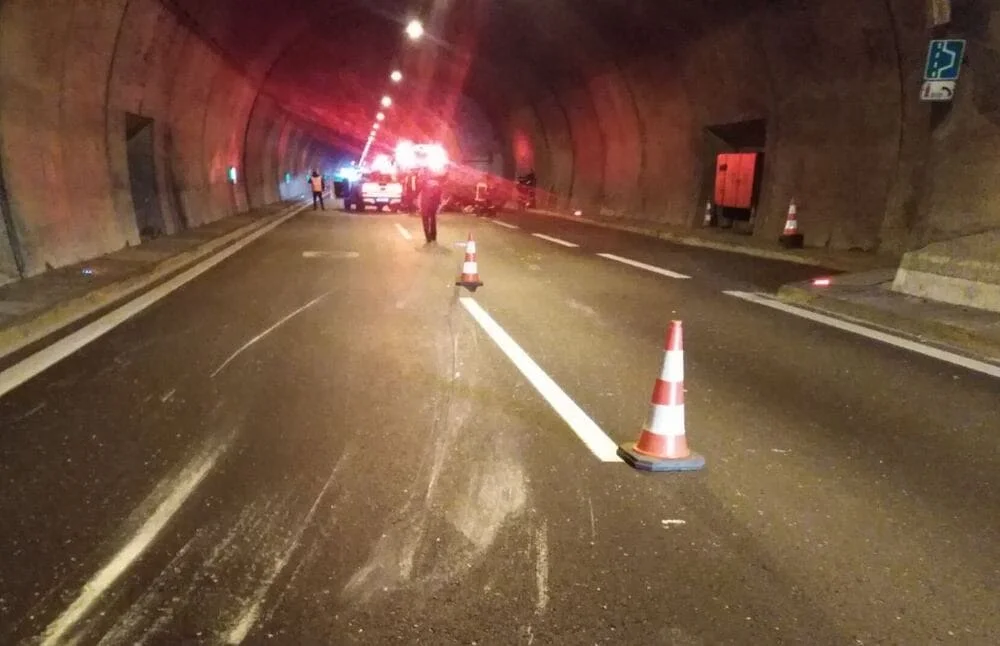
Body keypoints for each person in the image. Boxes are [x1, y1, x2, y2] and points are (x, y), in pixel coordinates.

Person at [419, 172, 443, 243]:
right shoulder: (437, 183)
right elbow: (439, 194)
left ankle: (428, 237)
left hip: (425, 204)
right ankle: (433, 236)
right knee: (433, 219)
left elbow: (417, 191)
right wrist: (438, 203)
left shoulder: (424, 183)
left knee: (425, 220)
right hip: (434, 205)